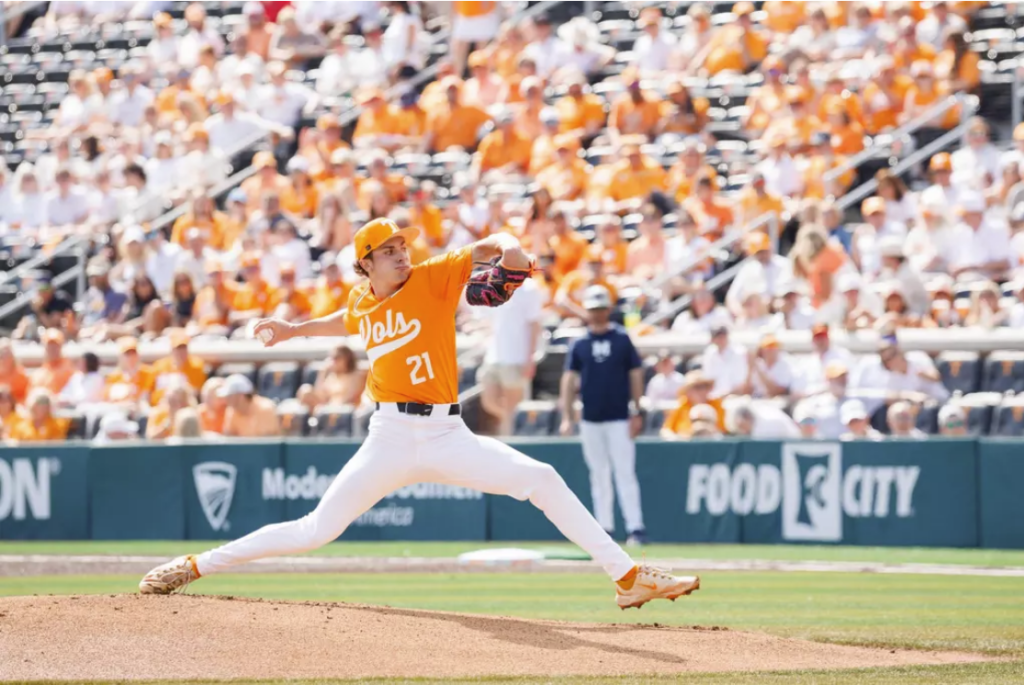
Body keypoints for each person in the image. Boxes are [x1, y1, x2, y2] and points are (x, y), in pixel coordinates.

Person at [140, 218, 698, 609]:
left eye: (402, 245)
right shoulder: (362, 300)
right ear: (366, 263)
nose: (401, 254)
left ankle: (626, 576)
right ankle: (196, 565)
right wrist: (293, 329)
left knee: (543, 478)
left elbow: (495, 248)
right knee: (315, 529)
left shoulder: (432, 277)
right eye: (388, 251)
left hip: (447, 433)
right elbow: (345, 319)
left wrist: (511, 249)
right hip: (388, 435)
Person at [559, 285, 646, 545]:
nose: (597, 314)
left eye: (600, 309)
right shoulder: (580, 344)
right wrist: (567, 416)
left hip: (619, 416)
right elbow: (568, 380)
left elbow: (635, 374)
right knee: (599, 474)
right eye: (593, 309)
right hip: (591, 417)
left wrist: (637, 409)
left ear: (608, 310)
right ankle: (604, 527)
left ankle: (635, 527)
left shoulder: (621, 339)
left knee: (624, 472)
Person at [477, 275, 544, 436]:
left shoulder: (529, 288)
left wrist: (530, 358)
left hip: (517, 358)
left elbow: (534, 324)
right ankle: (511, 428)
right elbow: (491, 319)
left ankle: (509, 439)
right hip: (494, 356)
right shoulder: (495, 284)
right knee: (489, 402)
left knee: (512, 408)